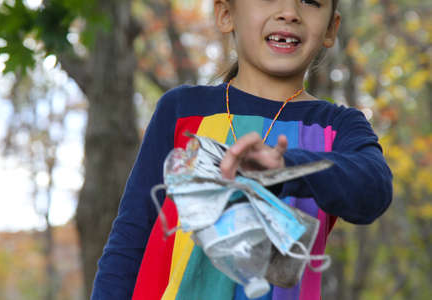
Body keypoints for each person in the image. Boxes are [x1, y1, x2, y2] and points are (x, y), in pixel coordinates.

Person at [91, 0, 392, 299]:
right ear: (225, 14)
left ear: (330, 28)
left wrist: (288, 167)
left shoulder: (337, 126)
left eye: (310, 1)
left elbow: (374, 189)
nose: (289, 12)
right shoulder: (181, 110)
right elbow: (129, 239)